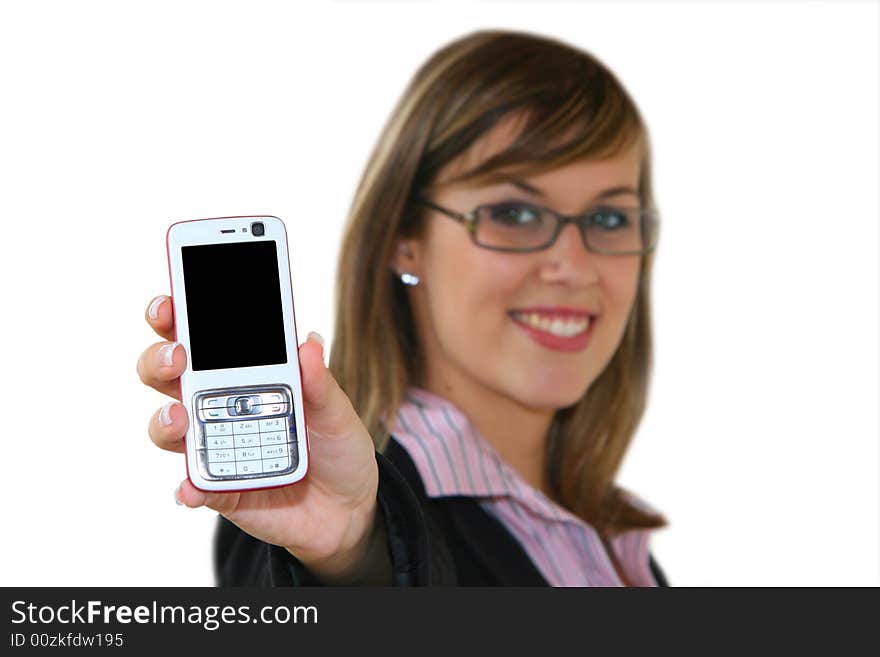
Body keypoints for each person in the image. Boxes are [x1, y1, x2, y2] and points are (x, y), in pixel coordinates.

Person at [137, 29, 670, 586]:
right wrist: (351, 559)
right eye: (514, 214)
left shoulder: (607, 529)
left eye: (610, 219)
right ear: (403, 238)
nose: (575, 266)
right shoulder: (321, 511)